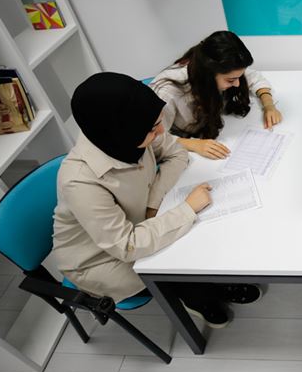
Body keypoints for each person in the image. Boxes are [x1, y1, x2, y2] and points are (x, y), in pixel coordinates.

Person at [53, 72, 260, 328]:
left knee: (196, 234)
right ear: (122, 131)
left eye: (157, 123)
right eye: (153, 128)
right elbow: (127, 246)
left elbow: (177, 152)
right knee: (180, 254)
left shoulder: (126, 133)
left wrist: (153, 202)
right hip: (100, 259)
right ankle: (196, 297)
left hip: (140, 222)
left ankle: (204, 285)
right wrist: (186, 209)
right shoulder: (80, 180)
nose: (161, 131)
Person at [150, 31, 282, 159]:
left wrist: (268, 105)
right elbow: (152, 139)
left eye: (239, 77)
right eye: (230, 80)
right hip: (183, 147)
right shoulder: (167, 92)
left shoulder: (223, 68)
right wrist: (193, 144)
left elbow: (254, 77)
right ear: (208, 75)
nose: (237, 84)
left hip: (210, 132)